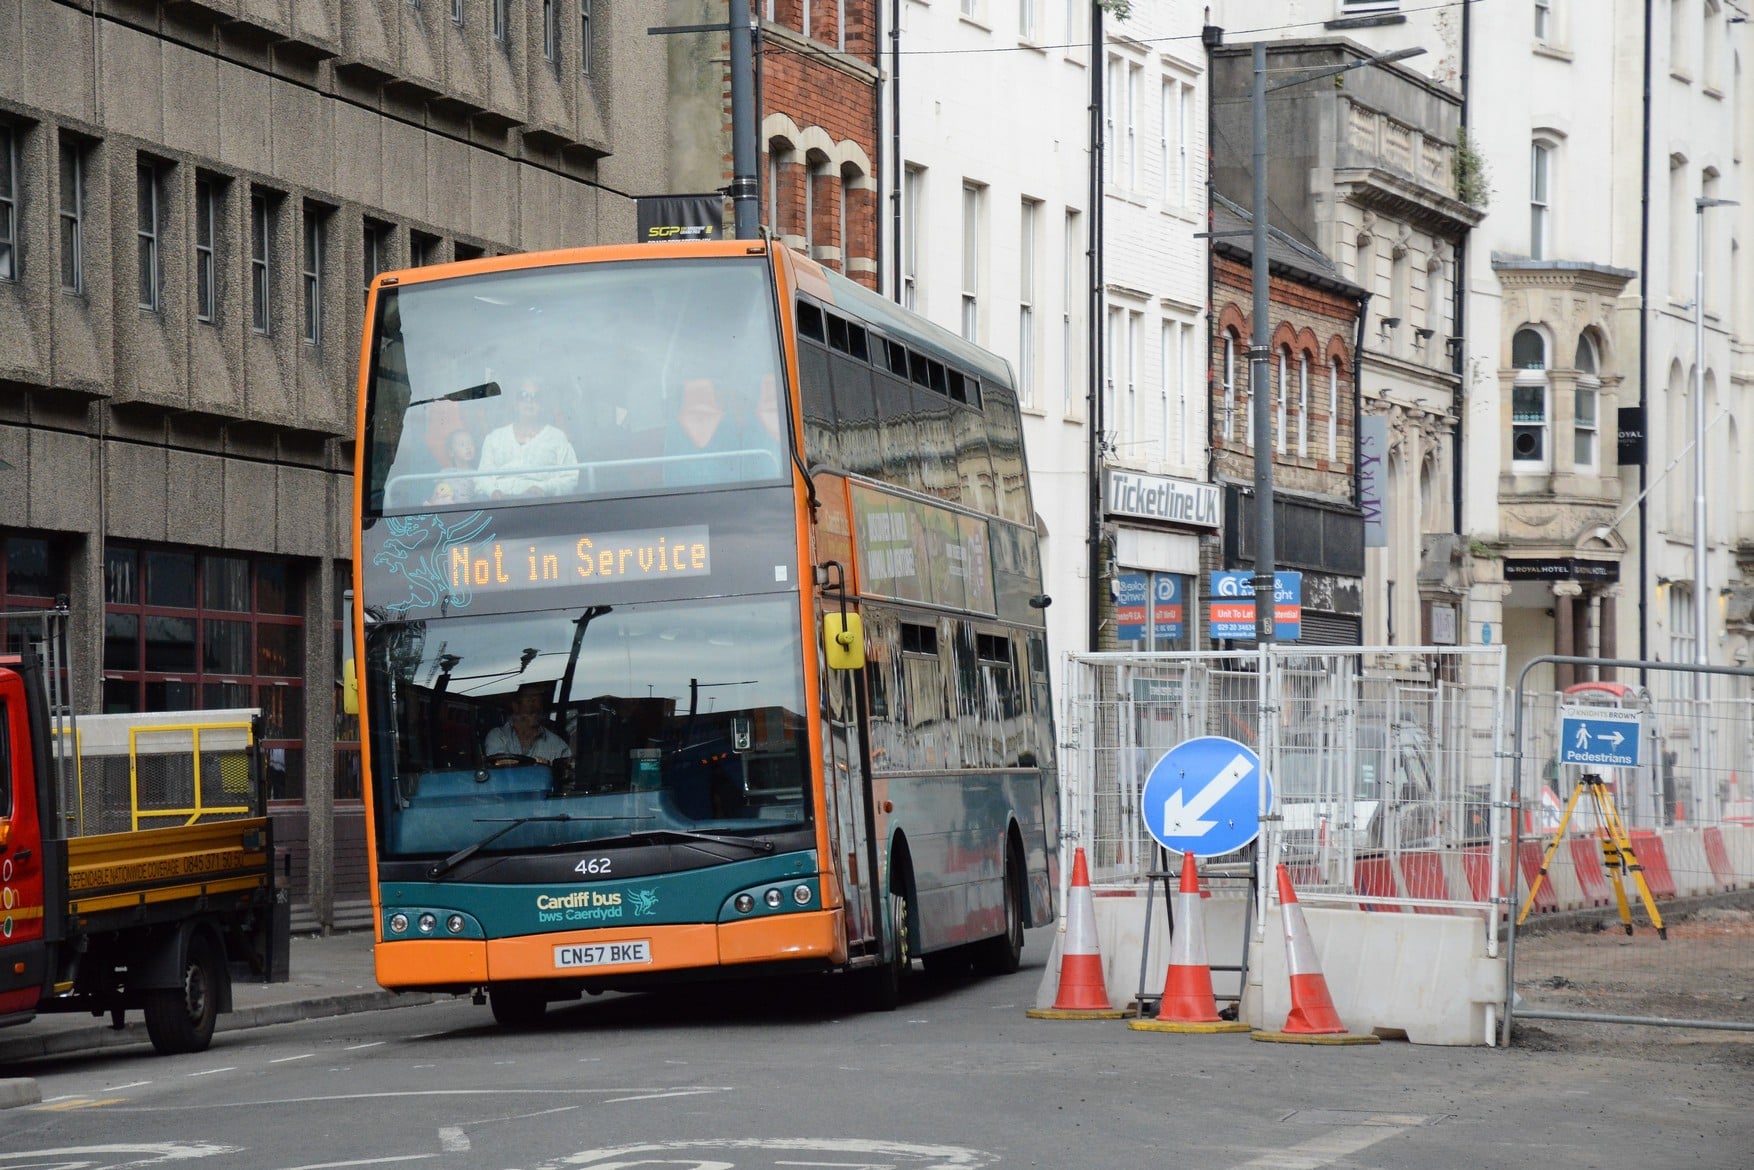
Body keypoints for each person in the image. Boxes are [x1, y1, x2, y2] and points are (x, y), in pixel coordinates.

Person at [477, 379, 580, 498]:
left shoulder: (557, 437)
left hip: (541, 504)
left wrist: (543, 488)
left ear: (542, 405)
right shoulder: (495, 437)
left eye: (536, 397)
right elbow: (482, 476)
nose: (529, 401)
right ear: (515, 403)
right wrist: (493, 492)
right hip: (498, 505)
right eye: (523, 395)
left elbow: (570, 477)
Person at [483, 682, 571, 765]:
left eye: (538, 701)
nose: (535, 706)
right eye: (530, 700)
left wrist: (548, 769)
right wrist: (535, 765)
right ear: (515, 706)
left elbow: (566, 771)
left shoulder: (557, 745)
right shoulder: (498, 736)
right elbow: (498, 764)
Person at [425, 428, 479, 506]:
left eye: (471, 443)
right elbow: (437, 493)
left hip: (466, 510)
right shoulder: (445, 473)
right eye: (462, 444)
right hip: (446, 509)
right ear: (451, 452)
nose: (468, 447)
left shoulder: (477, 474)